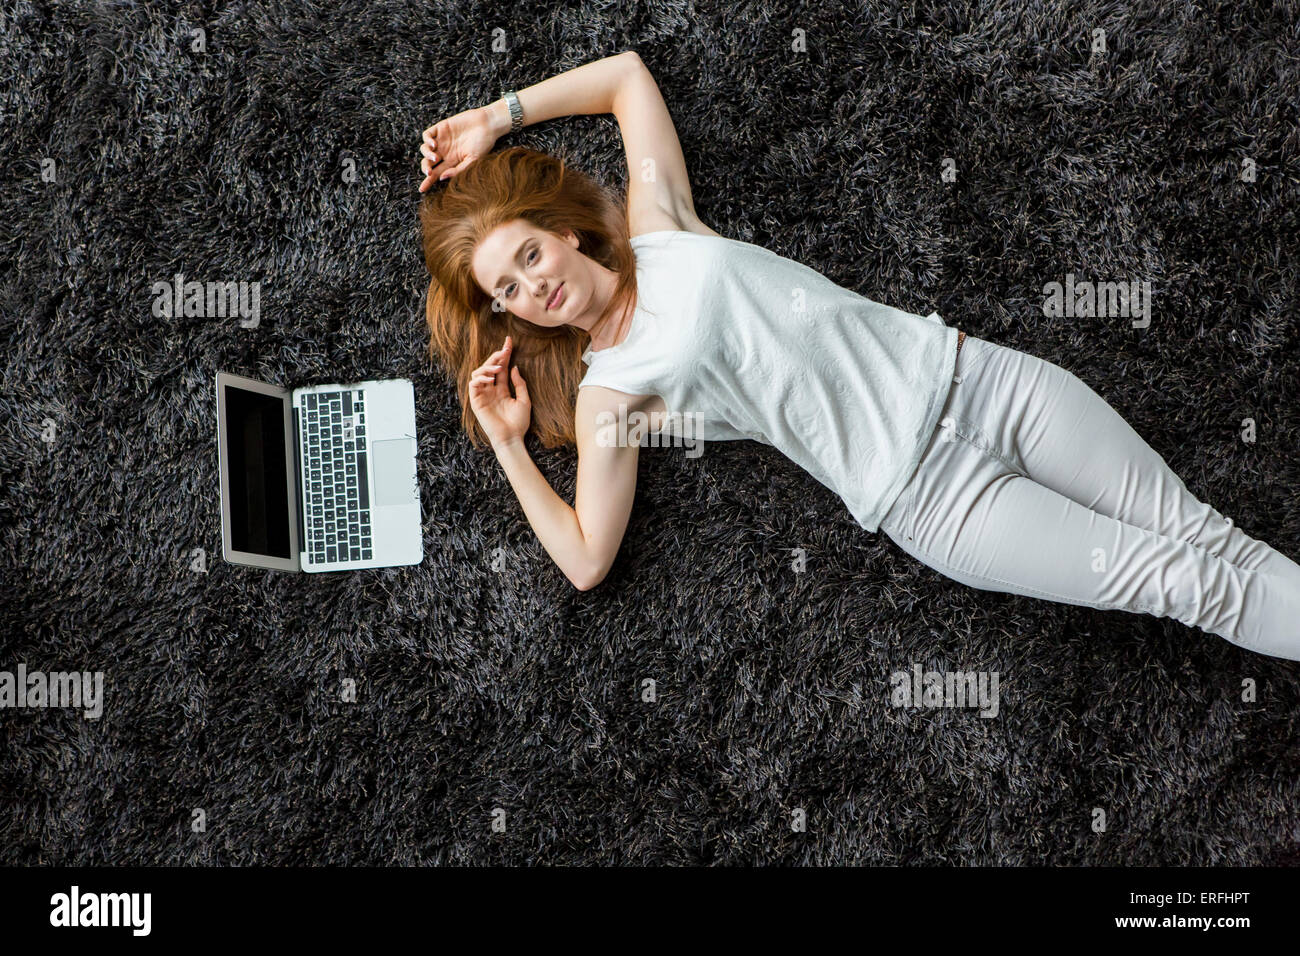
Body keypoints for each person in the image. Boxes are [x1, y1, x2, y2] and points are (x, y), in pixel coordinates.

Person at [415, 51, 1300, 661]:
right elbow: (584, 559)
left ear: (566, 234)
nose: (532, 290)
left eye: (529, 256)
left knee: (1206, 537)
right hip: (934, 498)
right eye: (508, 293)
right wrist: (507, 444)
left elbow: (625, 79)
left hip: (979, 379)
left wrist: (496, 118)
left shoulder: (662, 227)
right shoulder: (612, 397)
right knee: (1186, 586)